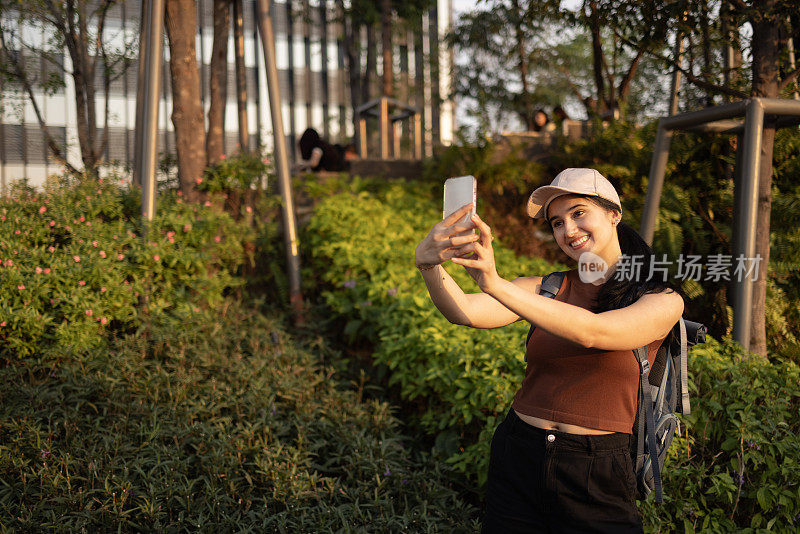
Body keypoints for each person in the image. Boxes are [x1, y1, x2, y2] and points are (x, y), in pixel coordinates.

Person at [413, 168, 684, 533]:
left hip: (597, 469)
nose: (568, 230)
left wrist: (495, 283)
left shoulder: (661, 299)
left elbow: (596, 332)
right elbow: (464, 311)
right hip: (519, 452)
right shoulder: (548, 287)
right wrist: (428, 264)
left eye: (578, 213)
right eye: (557, 223)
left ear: (613, 214)